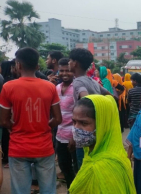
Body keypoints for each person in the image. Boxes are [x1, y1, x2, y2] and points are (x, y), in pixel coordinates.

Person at [0, 47, 62, 194]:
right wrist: (45, 125)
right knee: (48, 190)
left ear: (18, 65)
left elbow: (3, 121)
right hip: (44, 147)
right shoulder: (49, 86)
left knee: (20, 191)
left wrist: (13, 126)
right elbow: (58, 118)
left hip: (18, 147)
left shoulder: (9, 87)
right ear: (37, 66)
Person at [69, 95, 136, 194]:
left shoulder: (104, 167)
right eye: (74, 122)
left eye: (84, 123)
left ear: (102, 125)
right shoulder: (93, 154)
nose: (76, 128)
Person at [68, 48, 111, 170]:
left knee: (84, 168)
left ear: (75, 63)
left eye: (70, 60)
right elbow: (111, 96)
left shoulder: (77, 82)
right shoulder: (93, 81)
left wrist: (74, 135)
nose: (68, 63)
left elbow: (85, 99)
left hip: (84, 133)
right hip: (96, 130)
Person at [55, 58, 78, 189]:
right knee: (64, 167)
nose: (64, 73)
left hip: (74, 137)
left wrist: (74, 136)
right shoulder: (56, 88)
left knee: (77, 167)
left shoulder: (77, 88)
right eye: (61, 70)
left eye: (67, 71)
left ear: (73, 72)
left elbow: (81, 114)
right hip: (60, 135)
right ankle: (71, 189)